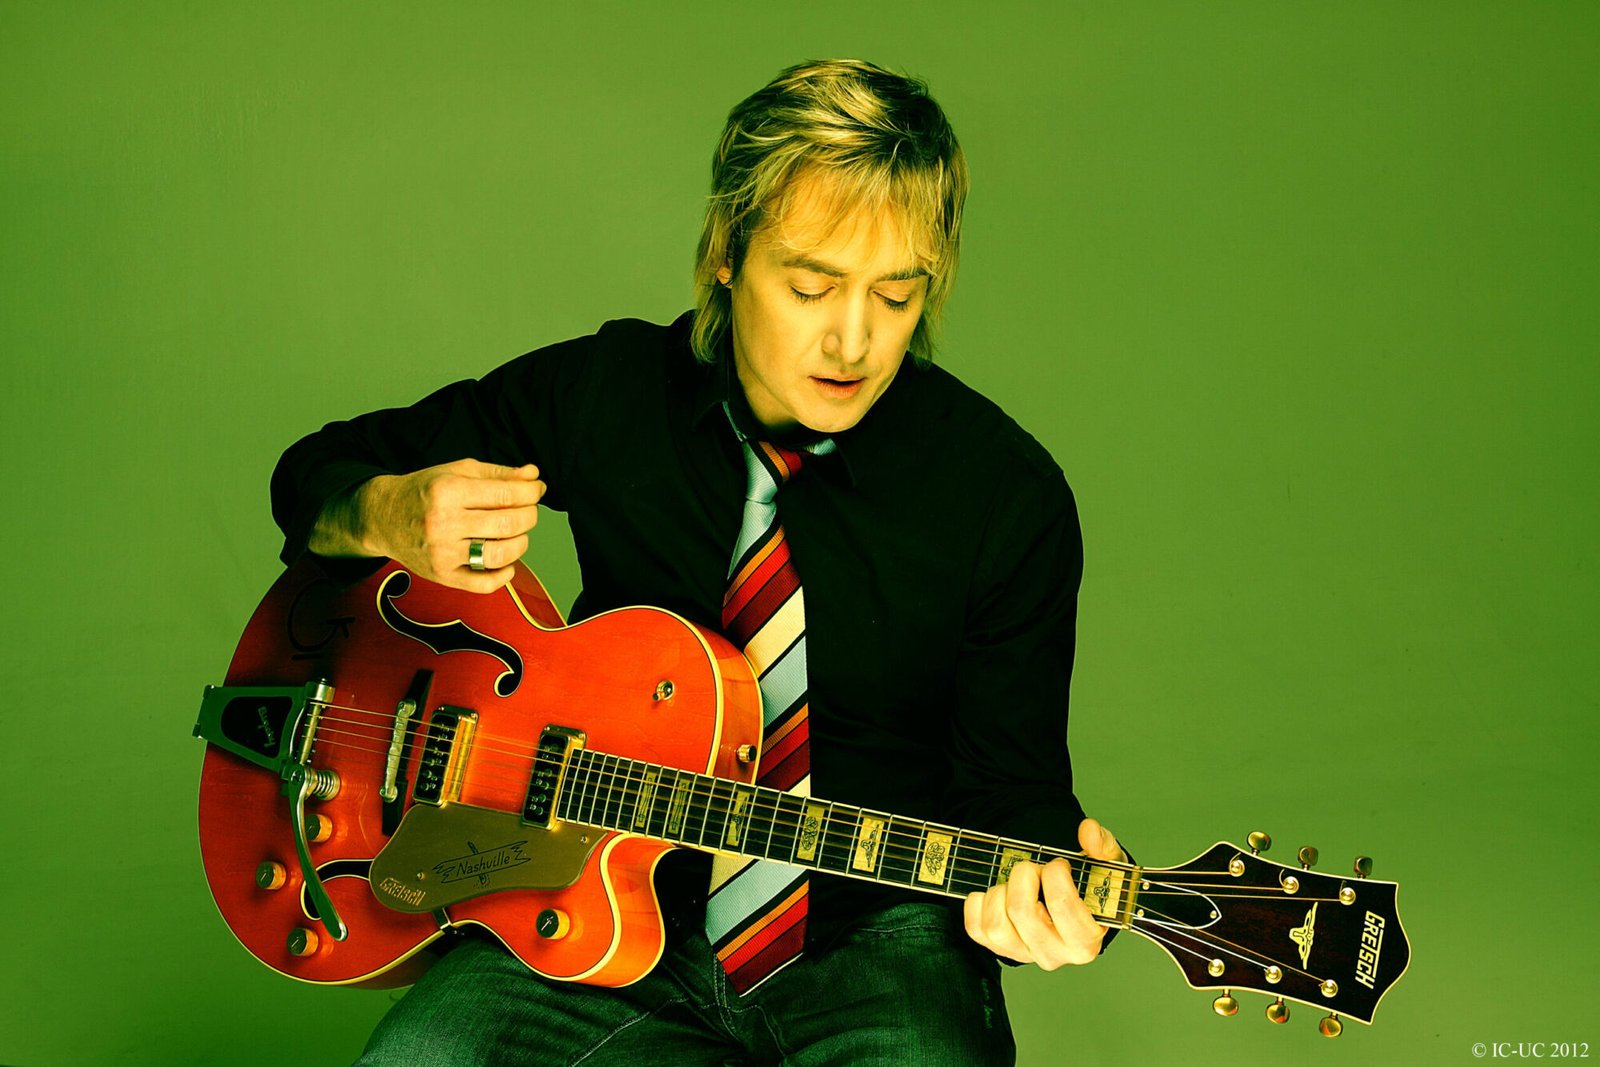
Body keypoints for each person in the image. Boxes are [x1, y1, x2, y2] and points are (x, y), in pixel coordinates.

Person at [272, 58, 1125, 1066]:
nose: (852, 339)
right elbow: (313, 476)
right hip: (588, 904)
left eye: (896, 296)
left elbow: (1011, 790)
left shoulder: (1006, 497)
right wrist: (386, 508)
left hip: (879, 936)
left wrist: (1050, 895)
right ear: (727, 251)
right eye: (810, 285)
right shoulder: (609, 393)